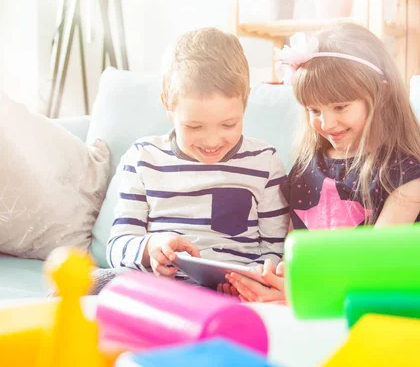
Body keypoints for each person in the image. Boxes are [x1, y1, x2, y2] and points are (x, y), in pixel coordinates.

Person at [227, 23, 420, 302]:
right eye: (314, 110)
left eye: (341, 107)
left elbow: (376, 268)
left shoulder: (406, 176)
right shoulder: (305, 169)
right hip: (306, 301)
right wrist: (273, 278)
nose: (326, 123)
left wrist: (299, 292)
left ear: (382, 95)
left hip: (373, 303)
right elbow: (293, 252)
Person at [106, 28, 289, 290]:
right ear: (168, 106)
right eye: (194, 127)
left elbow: (276, 251)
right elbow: (117, 246)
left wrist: (252, 279)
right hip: (158, 290)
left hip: (232, 294)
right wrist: (152, 247)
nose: (212, 142)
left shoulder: (265, 162)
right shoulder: (143, 158)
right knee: (88, 283)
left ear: (245, 103)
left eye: (228, 124)